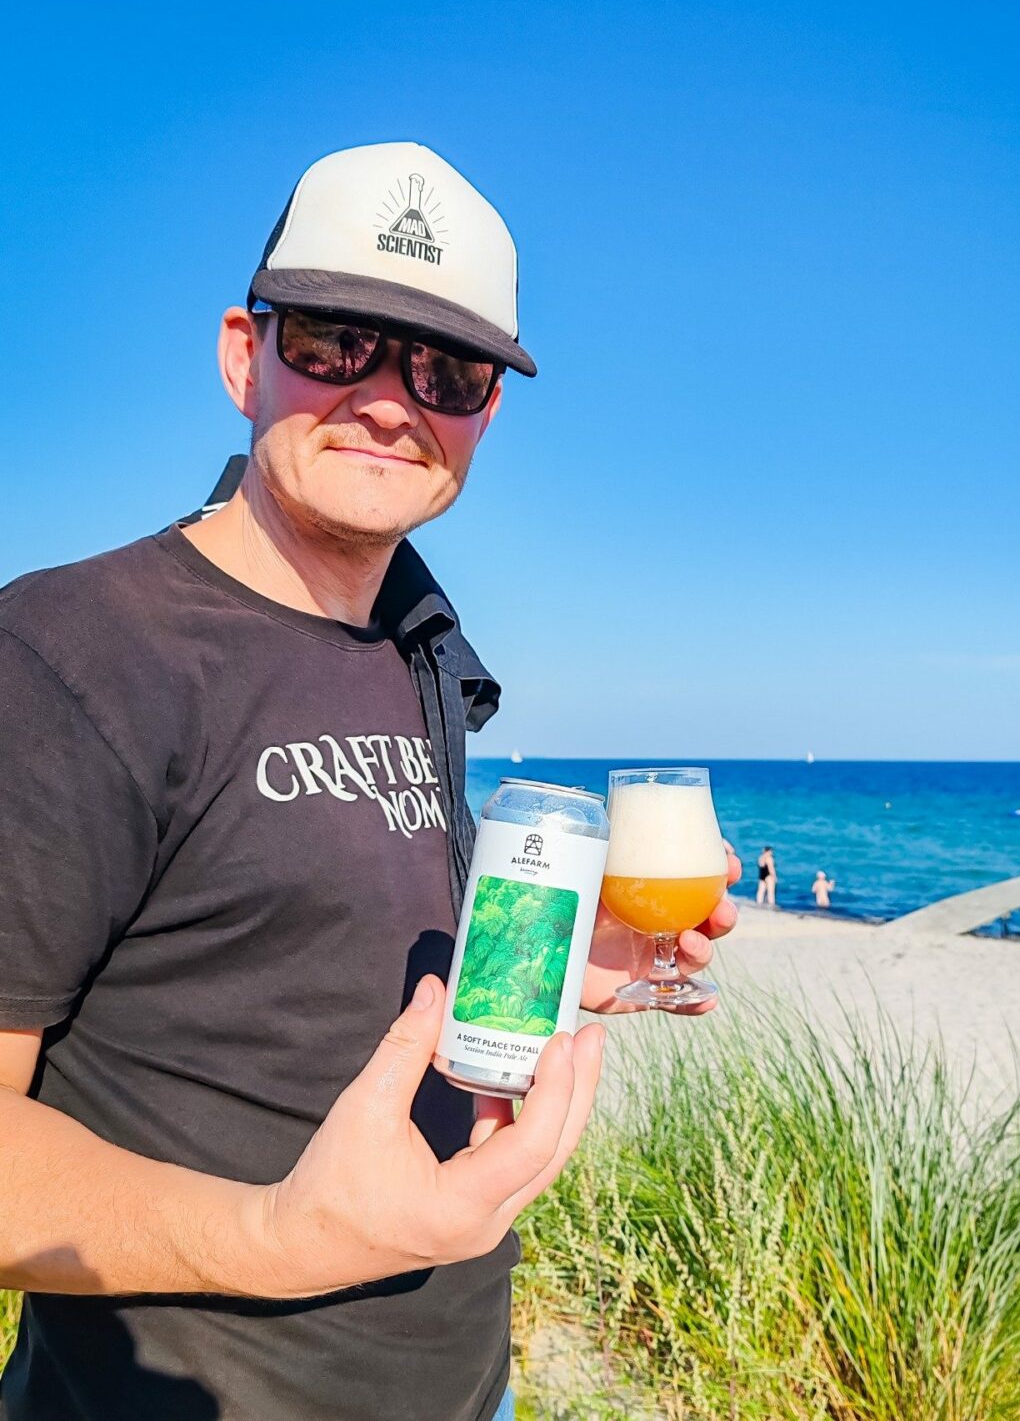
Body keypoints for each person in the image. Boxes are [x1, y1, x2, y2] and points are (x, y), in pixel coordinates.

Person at [0, 141, 741, 1421]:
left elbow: (313, 953)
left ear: (484, 414)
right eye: (338, 340)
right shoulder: (72, 653)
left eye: (446, 367)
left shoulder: (419, 639)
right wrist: (279, 1234)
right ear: (244, 355)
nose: (393, 400)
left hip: (464, 1385)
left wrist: (554, 956)